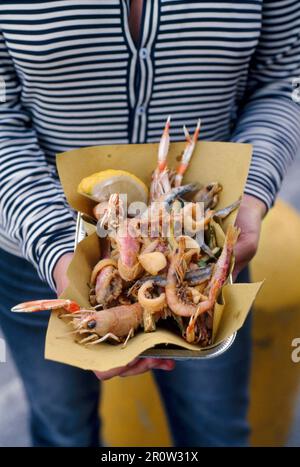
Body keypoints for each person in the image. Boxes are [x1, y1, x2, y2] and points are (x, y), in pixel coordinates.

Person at [0, 0, 299, 447]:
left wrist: (251, 196)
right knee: (62, 431)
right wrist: (62, 252)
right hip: (29, 251)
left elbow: (284, 81)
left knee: (217, 432)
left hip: (208, 252)